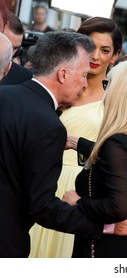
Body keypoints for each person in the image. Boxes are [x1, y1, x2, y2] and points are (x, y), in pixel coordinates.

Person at [0, 31, 116, 258]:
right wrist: (103, 227)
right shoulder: (50, 126)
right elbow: (42, 207)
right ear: (63, 74)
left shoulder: (3, 94)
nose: (85, 84)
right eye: (83, 75)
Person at [29, 16, 123, 258]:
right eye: (91, 47)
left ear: (114, 56)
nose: (96, 56)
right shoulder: (52, 85)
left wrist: (77, 144)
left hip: (78, 191)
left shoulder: (114, 102)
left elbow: (118, 155)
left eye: (105, 50)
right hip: (38, 181)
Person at [62, 60, 127, 258]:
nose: (104, 91)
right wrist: (76, 142)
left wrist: (78, 202)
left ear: (120, 93)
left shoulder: (117, 143)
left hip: (110, 250)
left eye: (107, 84)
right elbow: (119, 164)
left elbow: (119, 207)